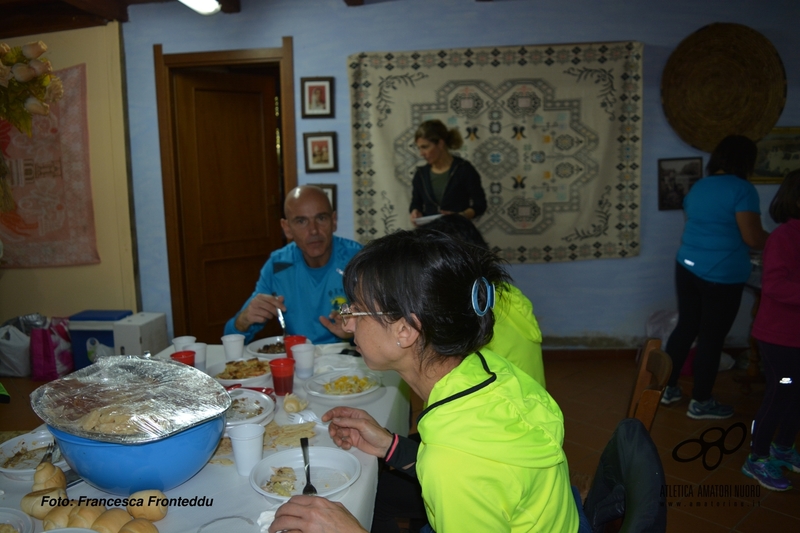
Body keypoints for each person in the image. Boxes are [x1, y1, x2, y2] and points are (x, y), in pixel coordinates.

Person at [269, 230, 582, 533]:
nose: (347, 322)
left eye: (357, 310)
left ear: (405, 330)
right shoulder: (485, 367)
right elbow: (479, 472)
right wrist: (392, 447)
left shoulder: (454, 466)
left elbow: (460, 468)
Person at [660, 135, 770, 419]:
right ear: (746, 161)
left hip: (687, 265)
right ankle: (701, 401)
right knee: (711, 337)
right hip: (720, 275)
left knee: (686, 327)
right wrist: (780, 241)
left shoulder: (699, 187)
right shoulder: (742, 189)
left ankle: (666, 389)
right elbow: (753, 237)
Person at [223, 185, 361, 344]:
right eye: (301, 221)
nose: (313, 230)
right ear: (287, 228)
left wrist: (356, 332)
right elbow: (229, 339)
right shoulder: (278, 265)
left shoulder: (358, 260)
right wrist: (244, 319)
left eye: (321, 218)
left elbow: (387, 329)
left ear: (334, 221)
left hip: (352, 360)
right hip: (298, 361)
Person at [741, 170, 800, 491]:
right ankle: (757, 457)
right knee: (780, 393)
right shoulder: (783, 237)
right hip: (778, 337)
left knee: (797, 395)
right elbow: (775, 285)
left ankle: (783, 448)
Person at [409, 119, 487, 224]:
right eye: (419, 148)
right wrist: (415, 212)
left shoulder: (464, 169)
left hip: (459, 234)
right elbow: (415, 204)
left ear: (440, 144)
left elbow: (480, 204)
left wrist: (461, 216)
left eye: (425, 147)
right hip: (430, 235)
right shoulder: (421, 174)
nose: (421, 153)